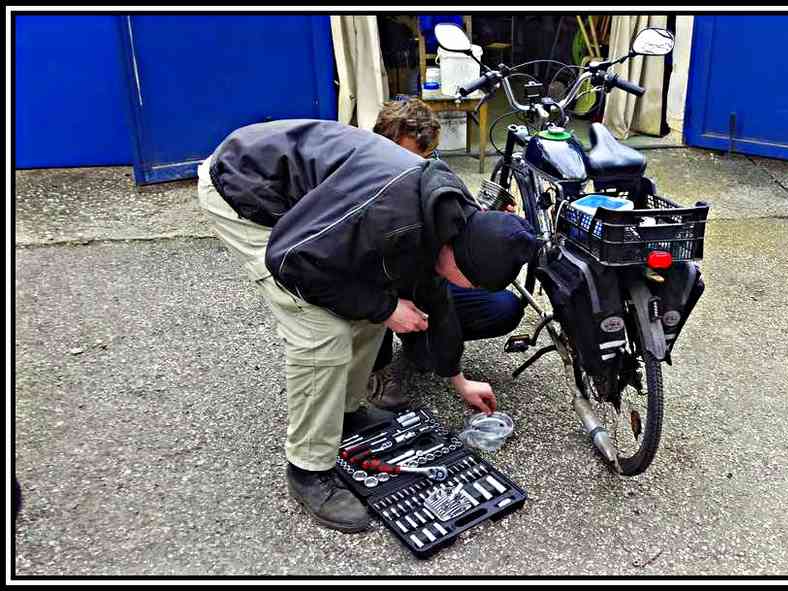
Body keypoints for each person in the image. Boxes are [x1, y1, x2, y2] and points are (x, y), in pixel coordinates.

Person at [196, 119, 538, 532]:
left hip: (312, 205)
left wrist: (458, 379)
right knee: (323, 331)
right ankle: (307, 469)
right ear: (458, 255)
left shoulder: (452, 218)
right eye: (472, 282)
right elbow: (290, 261)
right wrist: (386, 307)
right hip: (245, 192)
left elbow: (438, 300)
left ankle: (345, 411)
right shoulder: (392, 215)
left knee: (372, 305)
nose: (469, 290)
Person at [367, 98, 526, 410]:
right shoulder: (363, 186)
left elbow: (448, 252)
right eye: (408, 158)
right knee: (373, 290)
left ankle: (420, 340)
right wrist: (386, 308)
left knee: (503, 306)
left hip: (422, 280)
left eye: (427, 157)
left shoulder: (431, 171)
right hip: (378, 281)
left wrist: (484, 223)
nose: (418, 168)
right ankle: (376, 368)